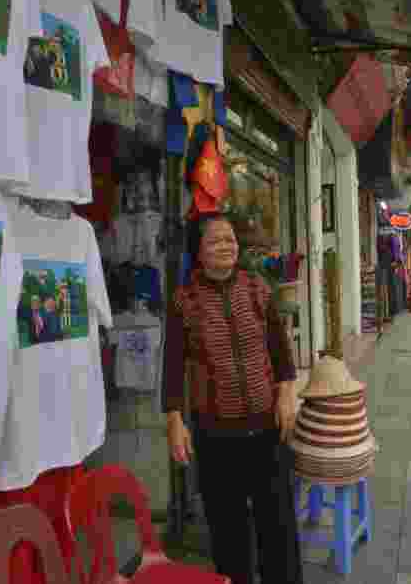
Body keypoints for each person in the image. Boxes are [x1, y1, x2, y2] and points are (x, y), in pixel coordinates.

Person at [162, 213, 303, 584]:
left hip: (266, 429)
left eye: (230, 239)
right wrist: (174, 420)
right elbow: (173, 365)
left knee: (278, 527)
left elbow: (281, 352)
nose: (226, 246)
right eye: (215, 241)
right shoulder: (183, 300)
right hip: (216, 436)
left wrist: (287, 393)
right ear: (198, 251)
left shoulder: (257, 288)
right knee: (228, 532)